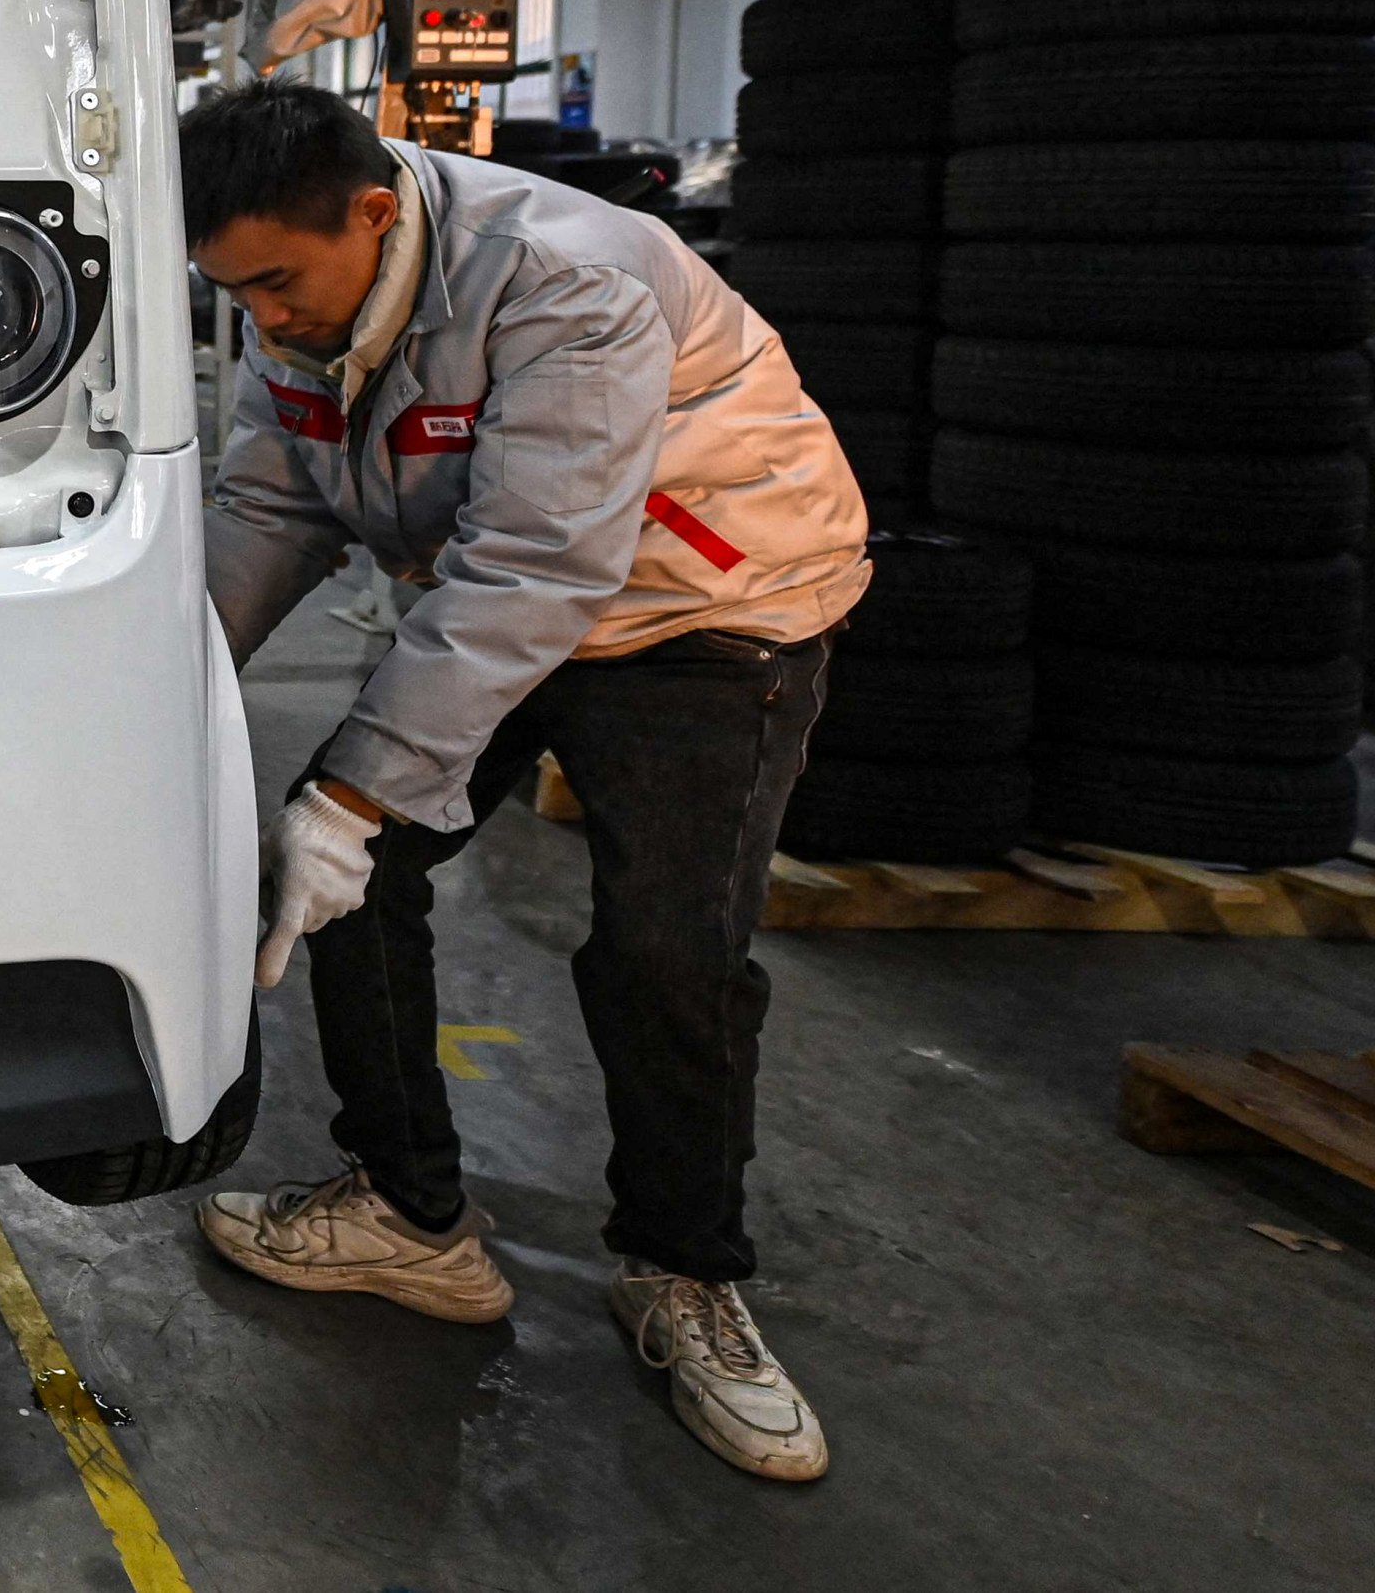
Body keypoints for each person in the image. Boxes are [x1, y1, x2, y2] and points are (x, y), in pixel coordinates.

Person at [182, 82, 871, 1484]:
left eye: (271, 284)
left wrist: (356, 794)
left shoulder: (567, 281)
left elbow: (540, 562)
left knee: (661, 952)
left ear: (373, 214)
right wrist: (162, 694)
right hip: (499, 589)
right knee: (339, 888)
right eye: (228, 294)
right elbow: (271, 502)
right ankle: (406, 1215)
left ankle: (683, 1273)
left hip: (705, 603)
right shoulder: (302, 294)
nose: (260, 318)